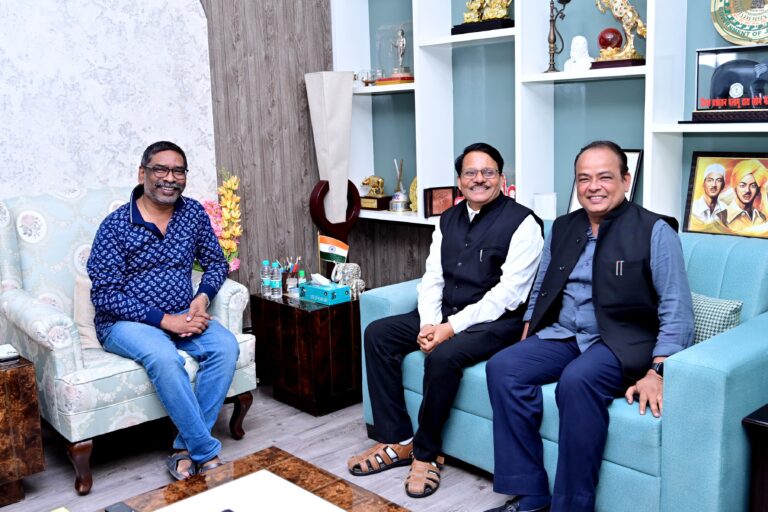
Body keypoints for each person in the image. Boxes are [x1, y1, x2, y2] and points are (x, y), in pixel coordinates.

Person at [485, 140, 694, 512]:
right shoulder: (563, 227)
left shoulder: (656, 230)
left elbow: (676, 308)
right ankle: (531, 494)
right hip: (564, 333)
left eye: (604, 177)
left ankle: (572, 506)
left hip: (621, 341)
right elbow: (542, 286)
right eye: (584, 178)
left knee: (577, 381)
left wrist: (658, 371)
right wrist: (528, 332)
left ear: (626, 180)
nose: (593, 186)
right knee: (504, 367)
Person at [347, 142, 544, 499]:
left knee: (444, 355)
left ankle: (426, 453)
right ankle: (398, 439)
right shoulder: (448, 218)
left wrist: (449, 329)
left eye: (488, 172)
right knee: (378, 334)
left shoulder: (524, 223)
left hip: (496, 322)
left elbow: (509, 295)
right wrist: (428, 324)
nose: (479, 179)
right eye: (471, 173)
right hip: (445, 314)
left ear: (501, 178)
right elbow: (433, 277)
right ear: (460, 180)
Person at [87, 141, 239, 481]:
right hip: (126, 323)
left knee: (226, 347)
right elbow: (105, 295)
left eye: (178, 171)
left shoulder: (193, 214)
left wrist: (201, 299)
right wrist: (165, 321)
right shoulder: (115, 226)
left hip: (183, 312)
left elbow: (216, 263)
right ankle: (206, 453)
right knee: (164, 357)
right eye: (161, 169)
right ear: (142, 173)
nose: (170, 178)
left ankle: (184, 448)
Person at [717, 159, 768, 231]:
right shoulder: (721, 219)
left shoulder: (762, 218)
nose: (747, 190)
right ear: (735, 187)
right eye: (742, 185)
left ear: (758, 190)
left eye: (753, 186)